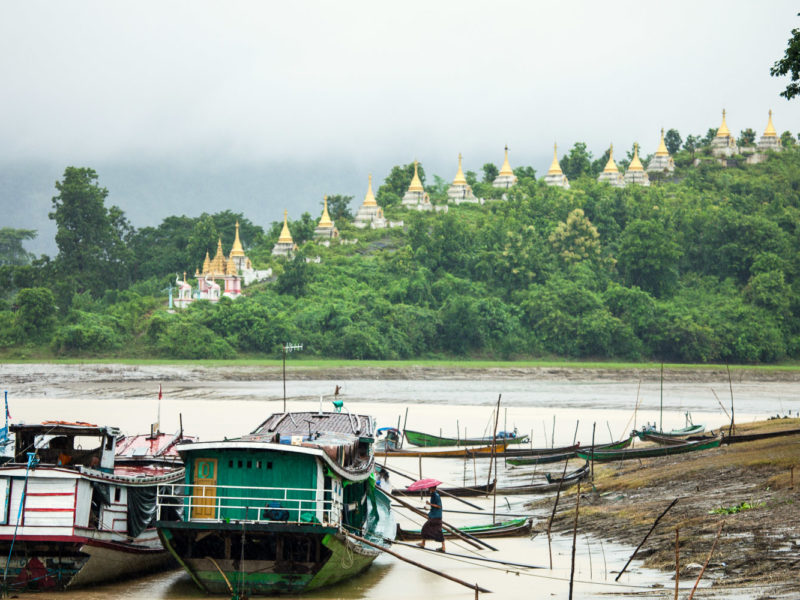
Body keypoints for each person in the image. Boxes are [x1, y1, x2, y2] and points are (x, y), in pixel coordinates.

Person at [417, 485, 445, 552]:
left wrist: (430, 504)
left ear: (433, 488)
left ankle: (423, 543)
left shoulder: (436, 496)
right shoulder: (433, 495)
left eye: (430, 488)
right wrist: (427, 507)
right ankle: (443, 547)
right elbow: (433, 506)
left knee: (425, 528)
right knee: (438, 531)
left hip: (436, 517)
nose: (429, 489)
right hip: (434, 516)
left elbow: (439, 506)